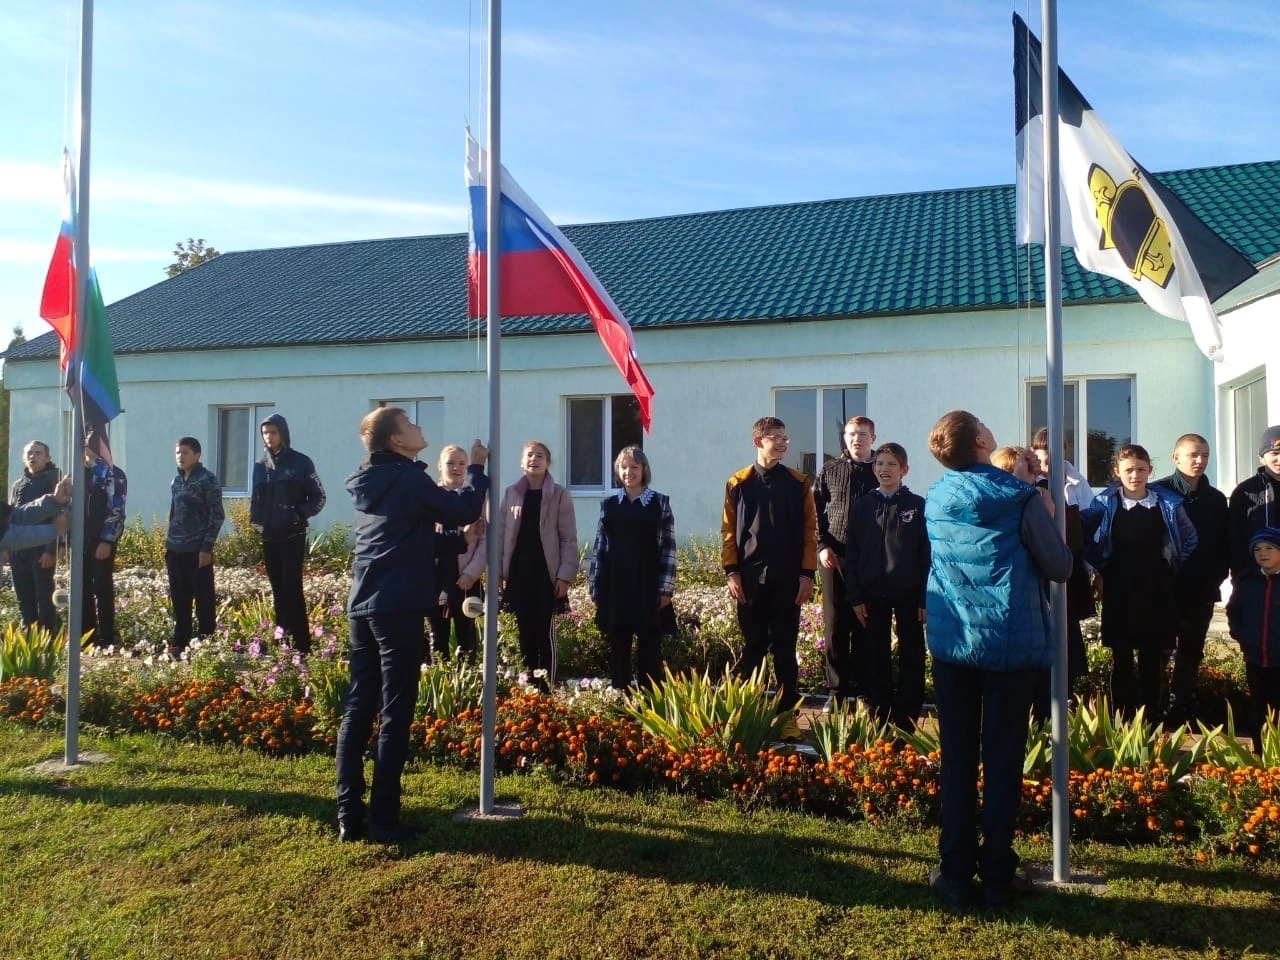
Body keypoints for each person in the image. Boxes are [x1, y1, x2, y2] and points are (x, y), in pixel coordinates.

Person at [924, 410, 1071, 911]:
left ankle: (954, 874)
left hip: (954, 644)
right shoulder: (1020, 498)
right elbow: (1060, 566)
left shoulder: (937, 496)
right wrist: (1049, 516)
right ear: (983, 440)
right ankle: (996, 879)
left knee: (958, 759)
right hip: (1010, 645)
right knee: (1003, 760)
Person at [336, 408, 489, 843]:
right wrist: (477, 468)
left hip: (363, 604)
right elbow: (460, 507)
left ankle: (349, 815)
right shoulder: (408, 477)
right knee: (395, 710)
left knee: (358, 709)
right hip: (398, 606)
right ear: (397, 442)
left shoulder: (371, 479)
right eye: (409, 423)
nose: (419, 427)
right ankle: (384, 819)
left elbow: (401, 536)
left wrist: (458, 541)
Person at [1081, 444, 1197, 720]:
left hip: (1156, 589)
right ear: (1117, 471)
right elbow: (1082, 535)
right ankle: (1121, 722)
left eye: (1141, 469)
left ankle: (1150, 722)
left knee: (1151, 660)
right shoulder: (1105, 502)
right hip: (1119, 589)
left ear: (1150, 470)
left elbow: (1190, 538)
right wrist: (1098, 568)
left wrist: (1171, 565)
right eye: (1129, 470)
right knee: (1120, 660)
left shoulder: (1167, 503)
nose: (1135, 475)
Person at [722, 417, 817, 741]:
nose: (781, 443)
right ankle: (748, 715)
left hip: (788, 580)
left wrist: (807, 574)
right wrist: (731, 572)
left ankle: (787, 718)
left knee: (786, 651)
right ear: (757, 441)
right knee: (753, 648)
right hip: (749, 580)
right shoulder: (738, 482)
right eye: (775, 437)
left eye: (785, 438)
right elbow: (728, 532)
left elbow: (809, 532)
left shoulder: (799, 482)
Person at [845, 442, 929, 732]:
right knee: (874, 656)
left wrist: (924, 598)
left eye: (892, 464)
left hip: (908, 593)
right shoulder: (862, 506)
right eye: (880, 464)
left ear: (904, 470)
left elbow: (926, 555)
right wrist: (855, 595)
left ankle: (907, 718)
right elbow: (852, 554)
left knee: (912, 655)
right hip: (871, 595)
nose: (884, 469)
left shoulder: (917, 506)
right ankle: (879, 714)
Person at [1155, 434, 1229, 726]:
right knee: (1158, 651)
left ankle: (1179, 710)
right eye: (1193, 455)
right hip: (1164, 591)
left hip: (1200, 591)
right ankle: (1152, 710)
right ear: (1176, 458)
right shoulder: (1159, 493)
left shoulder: (1214, 499)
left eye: (1205, 455)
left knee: (1190, 653)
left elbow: (1224, 544)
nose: (1200, 461)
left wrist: (1216, 577)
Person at [589, 446, 677, 691]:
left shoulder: (660, 503)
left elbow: (669, 548)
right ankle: (622, 701)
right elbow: (600, 548)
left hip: (648, 584)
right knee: (618, 646)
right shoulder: (608, 506)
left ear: (644, 469)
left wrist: (666, 589)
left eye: (634, 467)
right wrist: (595, 586)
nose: (629, 472)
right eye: (623, 467)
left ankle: (651, 704)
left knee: (650, 647)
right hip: (616, 584)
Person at [496, 440, 578, 688]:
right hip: (519, 573)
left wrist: (565, 575)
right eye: (529, 455)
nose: (534, 459)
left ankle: (548, 689)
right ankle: (529, 687)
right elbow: (500, 535)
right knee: (525, 633)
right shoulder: (512, 493)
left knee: (544, 633)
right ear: (522, 462)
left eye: (540, 455)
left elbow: (568, 537)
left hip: (546, 574)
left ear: (548, 463)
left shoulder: (560, 494)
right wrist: (499, 573)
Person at [1028, 427, 1095, 720]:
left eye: (1052, 452)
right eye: (1041, 453)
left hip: (1065, 571)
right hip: (1038, 575)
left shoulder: (1073, 483)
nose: (1046, 460)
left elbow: (1086, 527)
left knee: (1066, 638)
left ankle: (1064, 700)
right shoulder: (1029, 485)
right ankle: (1040, 705)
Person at [812, 415, 878, 710]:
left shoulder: (882, 468)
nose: (856, 439)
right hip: (834, 559)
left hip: (871, 561)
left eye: (862, 434)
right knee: (835, 627)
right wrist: (822, 545)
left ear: (872, 438)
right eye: (851, 434)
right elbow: (814, 509)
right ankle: (837, 693)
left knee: (867, 626)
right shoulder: (830, 469)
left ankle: (865, 693)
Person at [250, 414, 326, 653]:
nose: (269, 437)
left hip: (293, 535)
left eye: (273, 432)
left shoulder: (301, 463)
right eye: (265, 433)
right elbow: (256, 500)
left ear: (283, 433)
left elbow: (319, 497)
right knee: (277, 590)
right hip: (269, 536)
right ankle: (283, 640)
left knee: (292, 588)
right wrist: (257, 523)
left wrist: (298, 514)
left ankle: (302, 644)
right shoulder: (260, 466)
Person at [166, 437, 225, 658]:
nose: (181, 457)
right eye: (178, 453)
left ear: (197, 455)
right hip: (175, 549)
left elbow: (217, 515)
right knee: (179, 599)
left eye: (185, 453)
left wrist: (206, 548)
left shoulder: (207, 480)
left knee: (203, 600)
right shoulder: (176, 481)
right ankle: (180, 642)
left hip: (197, 550)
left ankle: (206, 642)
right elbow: (174, 514)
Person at [427, 445, 487, 660]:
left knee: (466, 634)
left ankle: (468, 681)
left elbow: (484, 541)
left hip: (465, 578)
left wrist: (472, 573)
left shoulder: (475, 498)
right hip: (436, 577)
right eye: (450, 463)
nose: (456, 468)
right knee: (437, 634)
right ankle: (440, 678)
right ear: (440, 466)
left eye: (462, 463)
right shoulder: (430, 496)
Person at [1225, 527, 1280, 753]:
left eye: (1269, 548)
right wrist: (1242, 635)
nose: (1263, 553)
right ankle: (1259, 755)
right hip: (1255, 658)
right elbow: (1233, 611)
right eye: (1257, 549)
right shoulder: (1248, 582)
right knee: (1258, 709)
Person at [8, 441, 62, 634]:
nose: (33, 456)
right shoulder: (18, 485)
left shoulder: (54, 480)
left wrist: (51, 549)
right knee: (24, 596)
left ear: (47, 458)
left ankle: (47, 636)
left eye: (38, 453)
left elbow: (59, 517)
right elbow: (10, 517)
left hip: (41, 548)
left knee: (44, 595)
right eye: (30, 453)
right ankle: (29, 636)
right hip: (18, 549)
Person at [82, 445, 127, 649]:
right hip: (80, 541)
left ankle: (107, 638)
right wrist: (64, 542)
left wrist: (107, 540)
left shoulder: (112, 474)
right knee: (81, 590)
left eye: (88, 443)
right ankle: (86, 637)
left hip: (100, 541)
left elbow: (117, 510)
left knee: (102, 589)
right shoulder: (77, 472)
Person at [1228, 425, 1280, 584]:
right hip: (1254, 580)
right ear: (1261, 457)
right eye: (1275, 453)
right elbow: (1234, 538)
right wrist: (1242, 575)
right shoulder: (1245, 492)